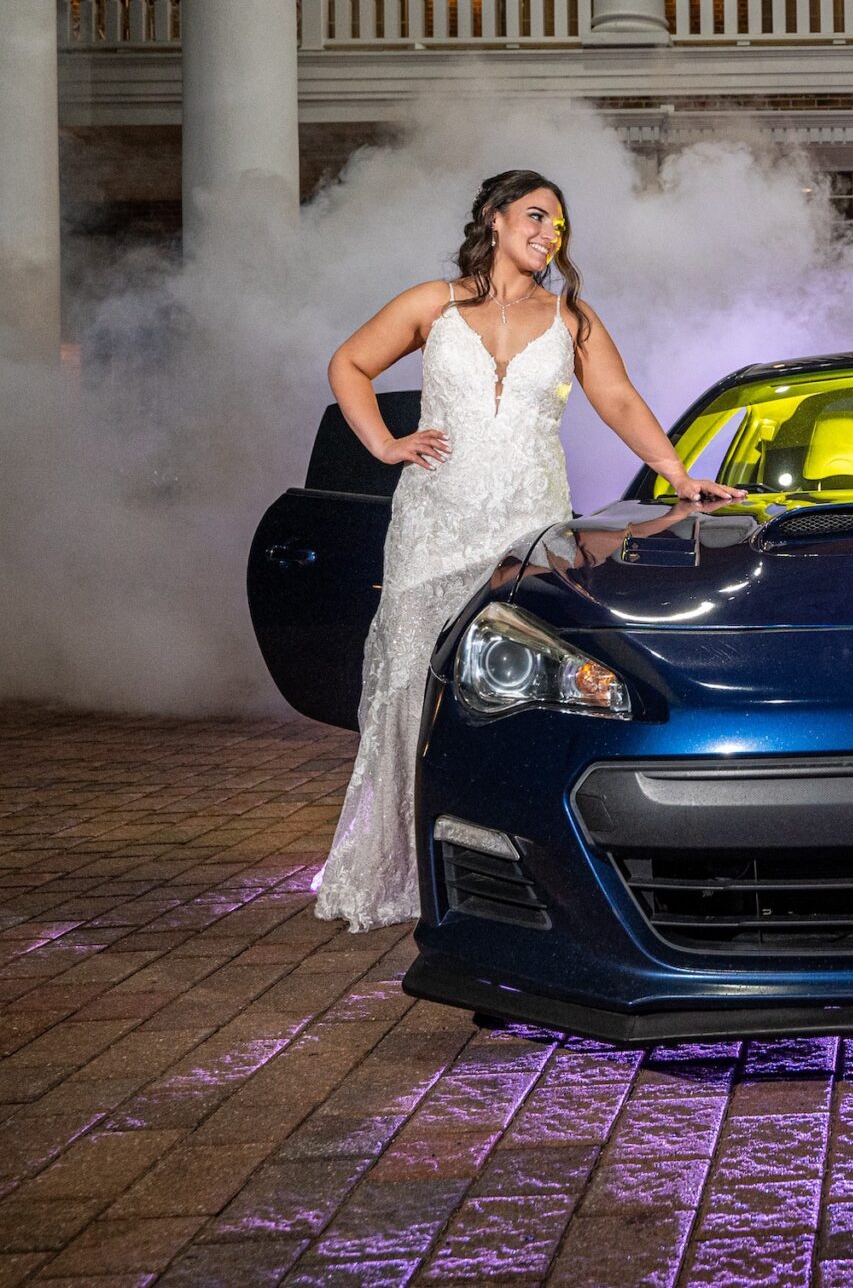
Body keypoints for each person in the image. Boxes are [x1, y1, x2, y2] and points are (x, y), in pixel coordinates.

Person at [314, 169, 744, 932]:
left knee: (517, 693)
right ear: (495, 216)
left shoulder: (571, 318)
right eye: (538, 216)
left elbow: (617, 398)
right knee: (416, 692)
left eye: (559, 226)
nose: (549, 234)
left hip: (527, 531)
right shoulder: (431, 303)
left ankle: (515, 866)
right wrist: (383, 442)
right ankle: (411, 867)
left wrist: (678, 474)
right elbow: (349, 363)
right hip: (433, 528)